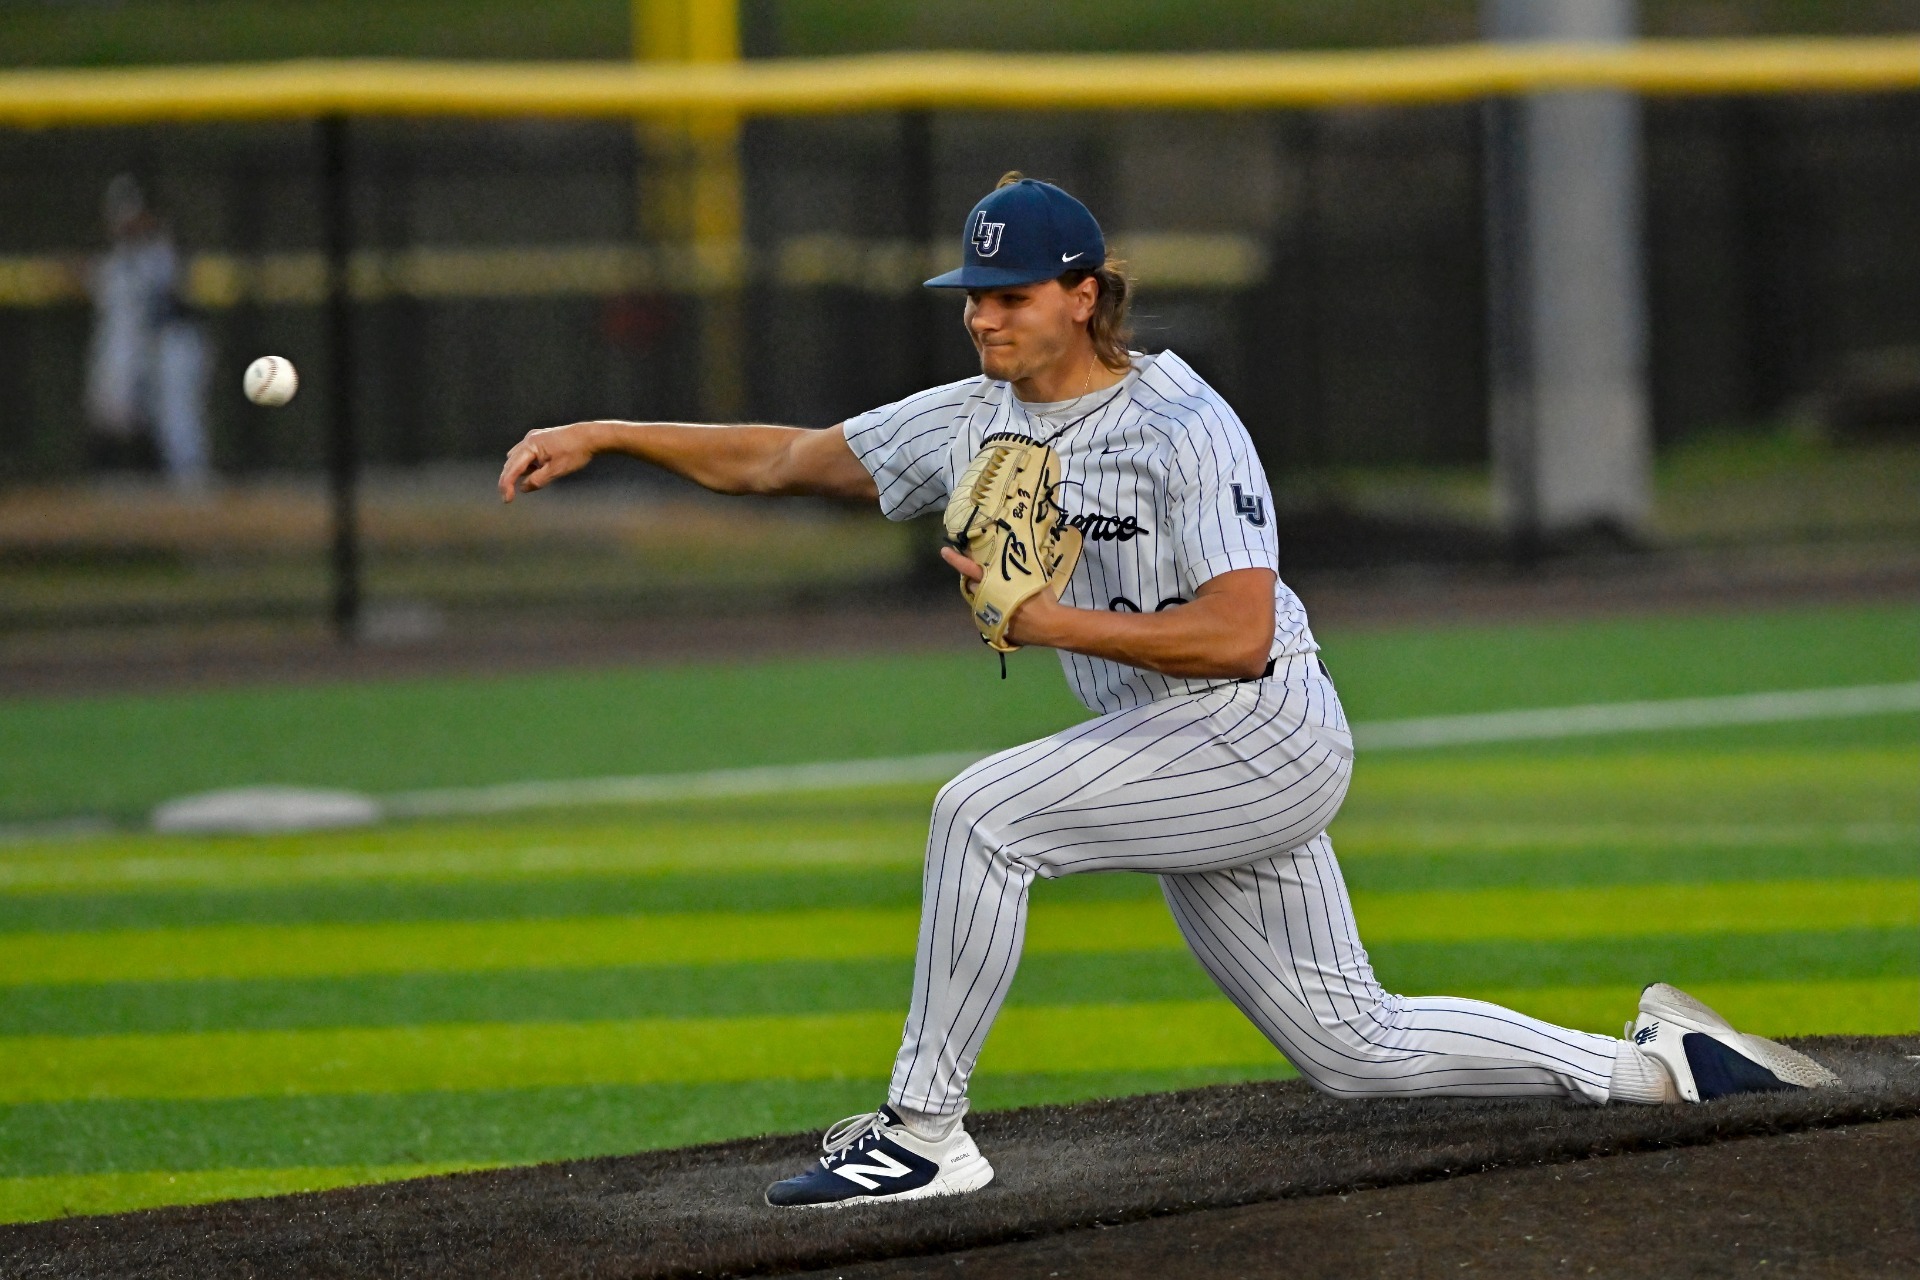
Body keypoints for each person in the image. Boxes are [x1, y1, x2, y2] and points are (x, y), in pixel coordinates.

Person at [498, 174, 1837, 1210]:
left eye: (1010, 294)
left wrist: (1045, 616)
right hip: (1176, 742)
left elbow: (1242, 636)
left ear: (1085, 295)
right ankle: (1655, 1067)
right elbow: (793, 458)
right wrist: (610, 435)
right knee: (1352, 1046)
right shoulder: (981, 412)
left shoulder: (1181, 428)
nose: (983, 313)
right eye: (972, 294)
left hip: (1258, 732)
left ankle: (922, 1134)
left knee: (982, 817)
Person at [85, 174, 212, 492]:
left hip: (175, 339)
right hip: (151, 345)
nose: (128, 225)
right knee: (131, 412)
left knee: (176, 416)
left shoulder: (159, 250)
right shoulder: (125, 257)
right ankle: (167, 483)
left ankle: (191, 482)